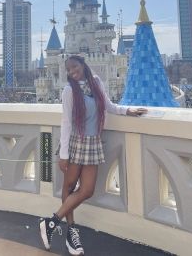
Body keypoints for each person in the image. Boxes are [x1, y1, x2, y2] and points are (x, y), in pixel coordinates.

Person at [39, 55, 147, 255]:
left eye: (75, 67)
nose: (72, 72)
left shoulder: (96, 82)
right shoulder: (69, 91)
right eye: (69, 70)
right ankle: (71, 233)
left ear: (82, 64)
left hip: (93, 142)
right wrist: (63, 154)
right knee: (69, 186)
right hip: (75, 143)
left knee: (87, 190)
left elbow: (109, 106)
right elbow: (66, 122)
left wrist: (128, 110)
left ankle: (50, 223)